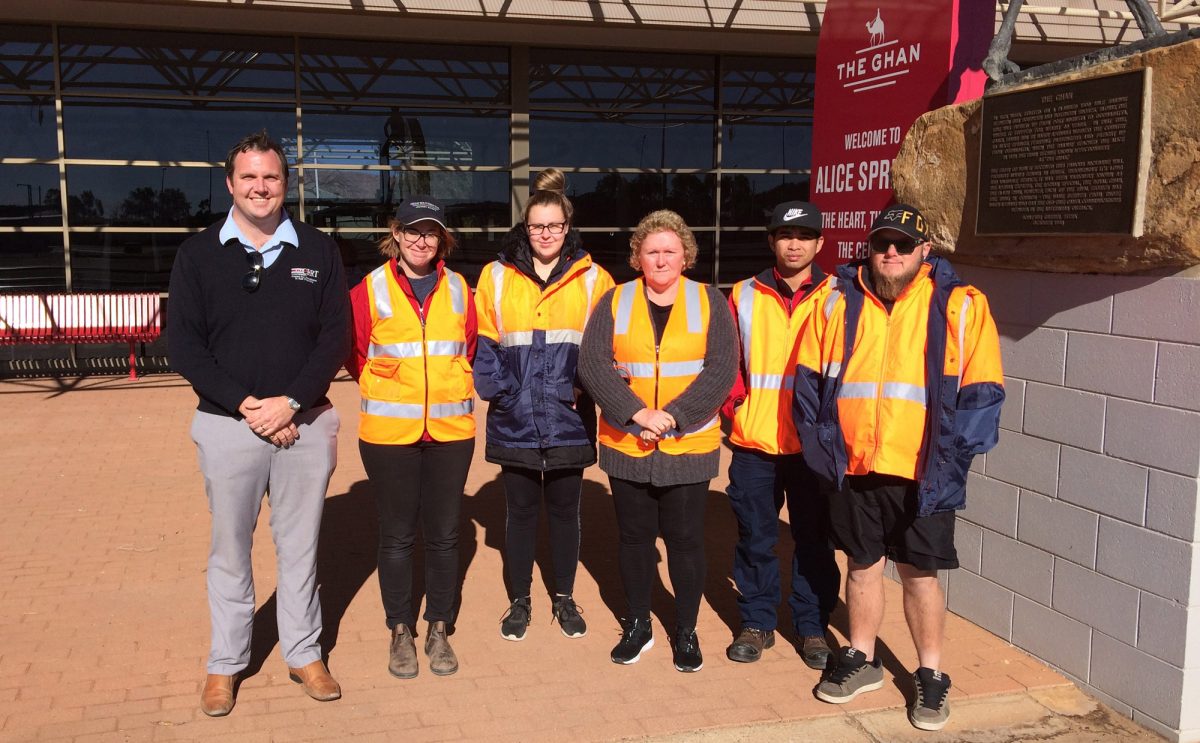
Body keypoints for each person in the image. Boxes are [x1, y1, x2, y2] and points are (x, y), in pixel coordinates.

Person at [793, 204, 1004, 731]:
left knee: (919, 575)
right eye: (883, 243)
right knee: (861, 566)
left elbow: (984, 390)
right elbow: (808, 385)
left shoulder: (960, 306)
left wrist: (954, 458)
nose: (891, 253)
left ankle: (930, 675)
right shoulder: (835, 303)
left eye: (903, 245)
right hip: (855, 463)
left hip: (922, 470)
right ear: (870, 247)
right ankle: (862, 659)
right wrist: (825, 451)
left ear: (924, 252)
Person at [167, 130, 349, 717]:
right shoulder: (197, 254)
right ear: (230, 184)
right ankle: (226, 663)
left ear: (285, 184)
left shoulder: (319, 251)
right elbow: (185, 346)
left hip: (304, 423)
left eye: (270, 177)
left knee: (300, 548)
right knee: (229, 550)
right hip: (228, 426)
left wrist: (291, 403)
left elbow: (334, 339)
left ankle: (303, 652)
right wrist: (249, 406)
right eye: (249, 177)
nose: (260, 187)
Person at [579, 209, 737, 673]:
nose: (661, 259)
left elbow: (722, 370)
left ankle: (685, 629)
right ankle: (638, 625)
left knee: (686, 541)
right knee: (634, 540)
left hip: (687, 445)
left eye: (670, 250)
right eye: (652, 251)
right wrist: (637, 413)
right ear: (638, 258)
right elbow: (592, 365)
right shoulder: (614, 300)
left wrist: (671, 417)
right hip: (629, 445)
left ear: (686, 255)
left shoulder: (710, 301)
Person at [473, 168, 615, 642]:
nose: (546, 234)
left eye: (555, 226)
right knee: (520, 513)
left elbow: (607, 348)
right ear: (525, 227)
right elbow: (485, 347)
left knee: (564, 511)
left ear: (567, 226)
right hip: (514, 418)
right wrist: (505, 393)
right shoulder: (495, 276)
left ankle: (564, 597)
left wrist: (586, 389)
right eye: (537, 226)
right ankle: (520, 601)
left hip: (568, 418)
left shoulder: (595, 278)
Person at [346, 197, 477, 679]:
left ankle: (438, 626)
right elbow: (355, 354)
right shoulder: (368, 289)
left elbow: (470, 345)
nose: (423, 240)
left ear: (442, 239)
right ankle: (400, 629)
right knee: (397, 535)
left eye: (432, 232)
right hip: (388, 434)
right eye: (413, 231)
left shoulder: (462, 289)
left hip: (450, 431)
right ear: (396, 234)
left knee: (445, 535)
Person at [721, 201, 841, 670]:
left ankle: (811, 626)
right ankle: (757, 621)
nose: (795, 244)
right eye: (786, 236)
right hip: (755, 442)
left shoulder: (839, 294)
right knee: (755, 537)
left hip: (813, 445)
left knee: (814, 540)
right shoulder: (743, 293)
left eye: (805, 236)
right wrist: (733, 408)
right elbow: (728, 361)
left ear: (819, 244)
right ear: (771, 241)